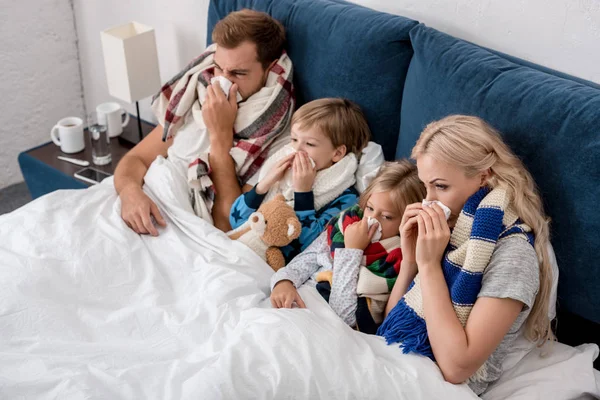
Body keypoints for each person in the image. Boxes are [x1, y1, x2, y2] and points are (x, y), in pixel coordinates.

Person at [377, 115, 554, 395]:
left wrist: (429, 265)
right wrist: (411, 261)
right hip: (396, 358)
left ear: (484, 176)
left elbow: (456, 367)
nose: (429, 201)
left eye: (441, 186)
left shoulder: (514, 255)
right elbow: (392, 324)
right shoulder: (454, 227)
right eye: (426, 186)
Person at [114, 9, 291, 235]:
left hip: (181, 230)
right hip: (139, 204)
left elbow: (228, 223)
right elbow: (135, 158)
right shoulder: (196, 95)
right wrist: (130, 193)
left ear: (270, 69)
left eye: (238, 73)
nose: (221, 83)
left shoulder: (276, 133)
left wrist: (220, 134)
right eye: (218, 68)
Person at [269, 161, 426, 334]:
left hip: (324, 325)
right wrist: (284, 282)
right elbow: (307, 259)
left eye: (387, 217)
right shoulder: (346, 224)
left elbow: (344, 316)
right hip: (296, 303)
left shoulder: (396, 259)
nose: (371, 220)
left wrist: (352, 251)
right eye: (370, 208)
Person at [229, 98, 371, 261]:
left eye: (309, 144)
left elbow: (309, 246)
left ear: (337, 153)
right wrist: (263, 186)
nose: (296, 149)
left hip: (271, 263)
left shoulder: (346, 197)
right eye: (294, 139)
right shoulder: (280, 176)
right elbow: (235, 221)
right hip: (239, 248)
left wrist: (303, 193)